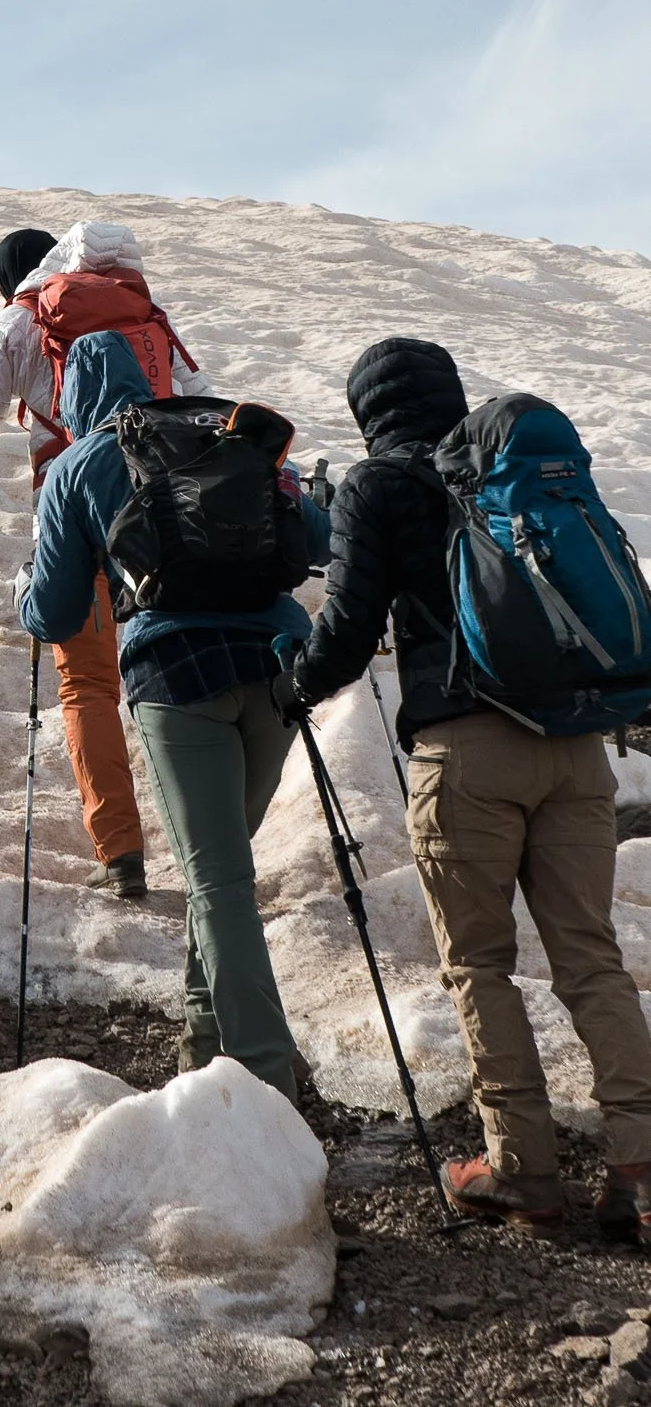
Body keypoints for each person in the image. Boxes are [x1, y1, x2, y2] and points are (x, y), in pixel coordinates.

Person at [279, 337, 651, 1235]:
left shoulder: (380, 485)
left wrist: (296, 680)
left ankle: (524, 1172)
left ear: (371, 411)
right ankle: (642, 1170)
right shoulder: (502, 476)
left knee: (480, 966)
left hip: (467, 756)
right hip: (574, 751)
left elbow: (351, 621)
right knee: (591, 957)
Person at [17, 330, 329, 1101]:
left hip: (178, 674)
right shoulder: (224, 430)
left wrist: (24, 586)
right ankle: (203, 1040)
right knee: (215, 867)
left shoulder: (80, 462)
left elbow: (55, 615)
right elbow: (318, 537)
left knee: (218, 878)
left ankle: (264, 1078)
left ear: (72, 397)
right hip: (280, 667)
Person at [0, 221, 206, 900]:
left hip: (73, 509)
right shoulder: (144, 315)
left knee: (88, 686)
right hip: (163, 514)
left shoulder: (13, 324)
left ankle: (120, 852)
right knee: (174, 673)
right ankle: (208, 848)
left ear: (9, 282)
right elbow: (196, 409)